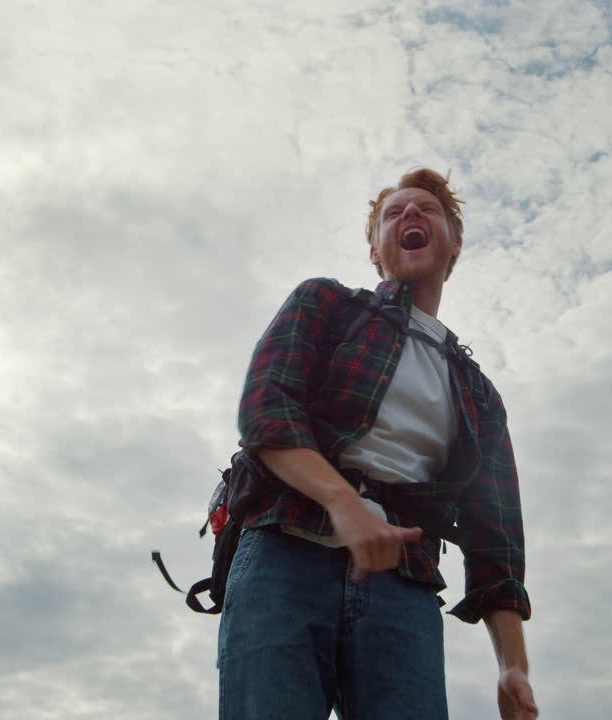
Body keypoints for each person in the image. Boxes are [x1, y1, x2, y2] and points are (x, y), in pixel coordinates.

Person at [219, 168, 536, 719]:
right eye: (395, 212)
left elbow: (496, 535)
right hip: (284, 553)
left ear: (454, 243)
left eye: (427, 210)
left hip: (403, 585)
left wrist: (514, 664)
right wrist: (343, 502)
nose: (411, 215)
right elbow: (266, 409)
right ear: (374, 249)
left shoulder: (477, 393)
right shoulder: (328, 304)